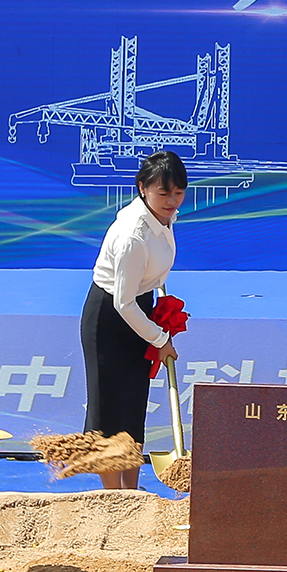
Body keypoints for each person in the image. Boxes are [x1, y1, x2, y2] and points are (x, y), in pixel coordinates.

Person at [83, 151, 186, 488]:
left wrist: (160, 310)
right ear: (142, 188)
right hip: (110, 318)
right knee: (109, 411)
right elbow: (123, 303)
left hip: (140, 307)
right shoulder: (132, 235)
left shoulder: (163, 217)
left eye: (178, 192)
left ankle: (132, 490)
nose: (172, 201)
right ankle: (114, 497)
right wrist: (160, 339)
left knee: (133, 405)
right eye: (163, 193)